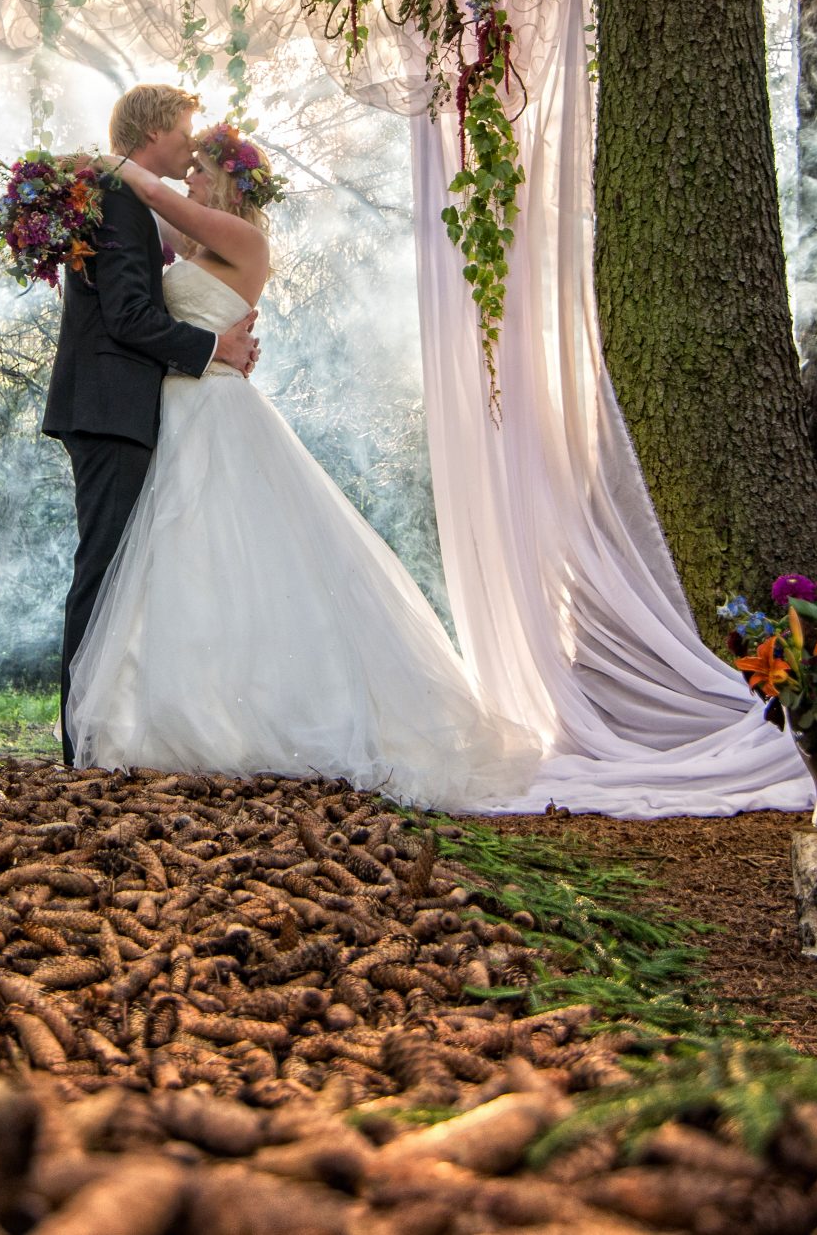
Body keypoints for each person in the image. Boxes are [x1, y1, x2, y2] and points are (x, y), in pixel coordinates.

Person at [63, 117, 542, 810]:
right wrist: (77, 203)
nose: (187, 176)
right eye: (186, 164)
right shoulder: (194, 243)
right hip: (174, 407)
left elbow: (154, 196)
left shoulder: (243, 240)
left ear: (227, 183)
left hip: (214, 409)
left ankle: (262, 719)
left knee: (230, 553)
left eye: (200, 169)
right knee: (182, 564)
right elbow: (136, 240)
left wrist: (101, 162)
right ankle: (184, 712)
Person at [41, 85, 258, 765]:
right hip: (109, 407)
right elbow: (129, 316)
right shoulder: (120, 199)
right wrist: (213, 347)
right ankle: (82, 740)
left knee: (120, 572)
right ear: (154, 130)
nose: (189, 149)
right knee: (104, 571)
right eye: (184, 134)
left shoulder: (131, 201)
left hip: (125, 407)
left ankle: (104, 728)